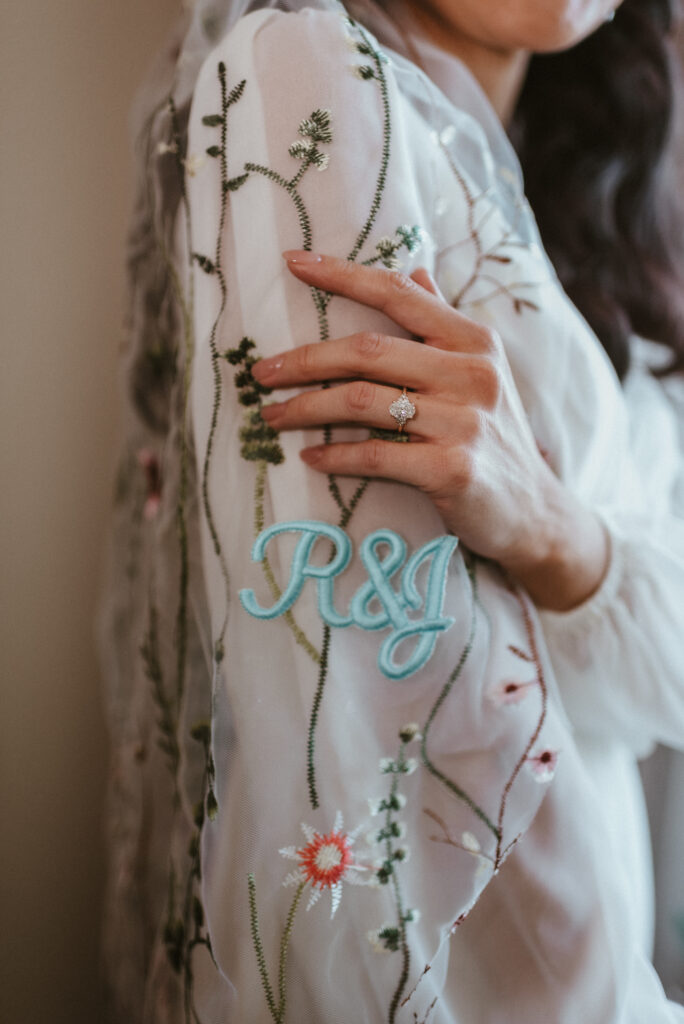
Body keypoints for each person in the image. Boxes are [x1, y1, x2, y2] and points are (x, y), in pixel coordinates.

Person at [97, 0, 684, 1019]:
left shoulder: (597, 188)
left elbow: (665, 686)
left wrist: (555, 534)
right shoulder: (307, 77)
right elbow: (362, 754)